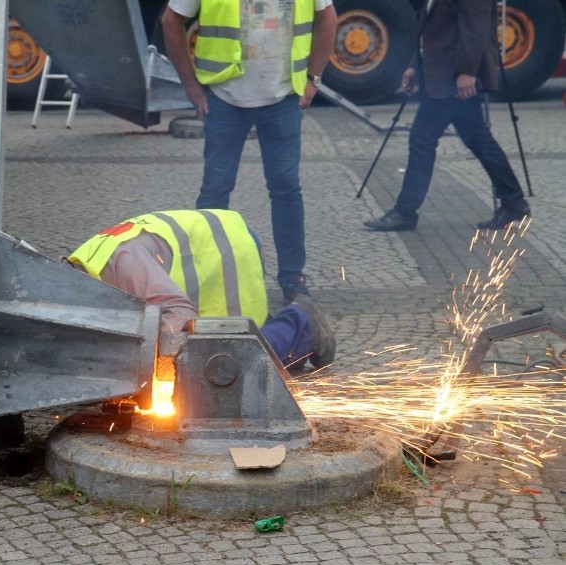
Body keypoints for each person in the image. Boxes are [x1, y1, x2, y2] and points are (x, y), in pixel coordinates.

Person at [161, 0, 337, 303]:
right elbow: (170, 21)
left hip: (282, 96)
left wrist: (313, 79)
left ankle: (292, 278)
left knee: (286, 189)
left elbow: (328, 19)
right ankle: (208, 276)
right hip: (224, 97)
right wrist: (191, 86)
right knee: (215, 191)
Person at [67, 209, 335, 370]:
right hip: (214, 242)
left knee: (228, 362)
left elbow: (180, 314)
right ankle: (294, 345)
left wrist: (159, 366)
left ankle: (302, 322)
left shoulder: (123, 266)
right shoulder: (84, 270)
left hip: (227, 247)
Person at [364, 0, 531, 233]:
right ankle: (514, 202)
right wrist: (415, 65)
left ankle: (405, 212)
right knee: (479, 140)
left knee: (422, 139)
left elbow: (475, 28)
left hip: (452, 77)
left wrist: (467, 72)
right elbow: (430, 28)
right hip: (440, 74)